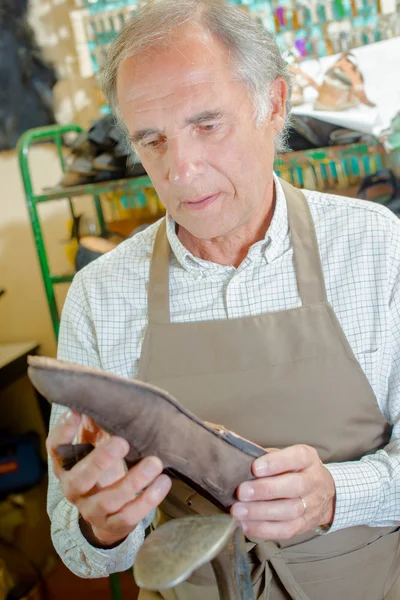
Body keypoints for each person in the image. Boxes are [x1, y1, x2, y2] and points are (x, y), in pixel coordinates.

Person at [46, 1, 400, 598]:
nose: (181, 170)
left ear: (275, 104)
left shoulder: (377, 248)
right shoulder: (101, 294)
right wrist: (101, 527)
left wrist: (336, 493)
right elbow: (78, 547)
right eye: (152, 140)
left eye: (207, 125)